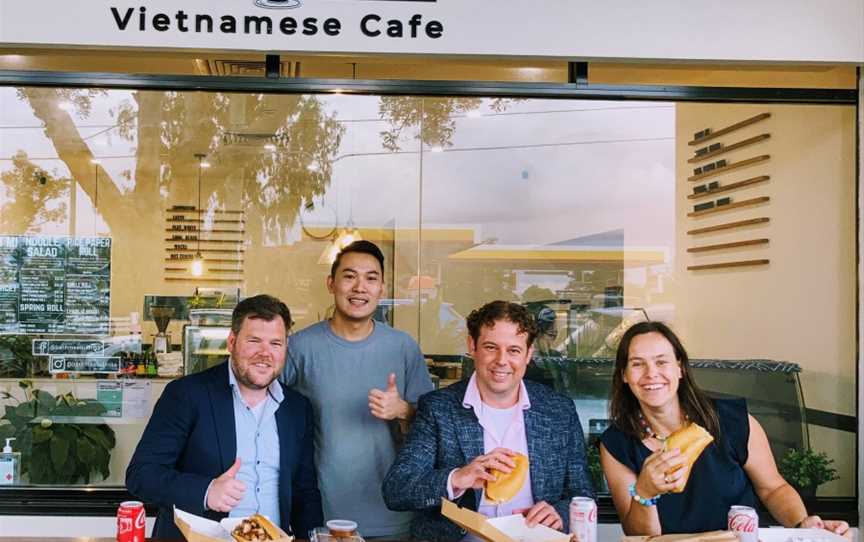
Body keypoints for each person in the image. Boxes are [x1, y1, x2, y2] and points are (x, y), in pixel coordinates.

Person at [600, 321, 851, 538]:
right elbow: (640, 536)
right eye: (637, 364)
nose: (651, 373)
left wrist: (801, 525)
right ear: (624, 375)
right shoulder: (617, 443)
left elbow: (773, 488)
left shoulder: (732, 420)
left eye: (661, 361)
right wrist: (645, 493)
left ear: (680, 368)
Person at [382, 300, 595, 542]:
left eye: (514, 350)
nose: (502, 360)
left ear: (528, 354)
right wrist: (458, 478)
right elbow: (397, 490)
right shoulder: (438, 408)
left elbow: (583, 493)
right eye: (491, 347)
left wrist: (560, 513)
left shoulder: (558, 410)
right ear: (472, 346)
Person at [126, 294, 323, 539]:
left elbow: (305, 493)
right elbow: (141, 475)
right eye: (254, 341)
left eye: (276, 343)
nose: (265, 353)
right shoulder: (186, 395)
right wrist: (206, 492)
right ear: (231, 342)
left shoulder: (297, 408)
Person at [283, 240, 434, 538]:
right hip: (322, 515)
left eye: (371, 278)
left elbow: (434, 429)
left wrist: (403, 410)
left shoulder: (403, 347)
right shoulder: (300, 347)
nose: (360, 287)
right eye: (349, 276)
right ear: (331, 283)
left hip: (392, 515)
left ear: (382, 289)